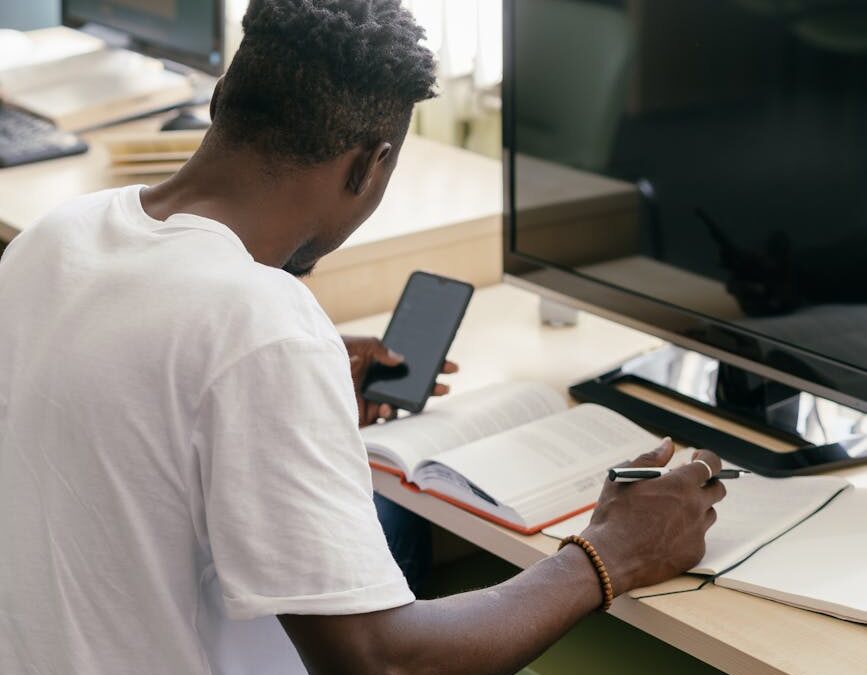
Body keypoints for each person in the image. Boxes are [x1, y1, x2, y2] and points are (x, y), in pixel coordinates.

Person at [0, 1, 726, 674]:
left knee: (396, 530)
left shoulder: (57, 235)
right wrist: (609, 555)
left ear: (220, 99)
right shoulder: (261, 325)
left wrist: (271, 404)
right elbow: (378, 661)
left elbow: (129, 413)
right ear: (369, 165)